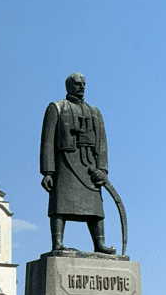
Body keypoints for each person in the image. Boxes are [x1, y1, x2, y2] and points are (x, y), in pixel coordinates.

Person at [40, 72, 115, 255]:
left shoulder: (94, 112)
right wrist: (48, 172)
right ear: (69, 86)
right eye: (77, 83)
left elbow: (102, 144)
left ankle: (100, 244)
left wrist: (103, 170)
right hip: (65, 164)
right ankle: (57, 243)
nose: (81, 86)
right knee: (60, 205)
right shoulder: (57, 108)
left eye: (83, 83)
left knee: (95, 206)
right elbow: (47, 141)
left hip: (89, 165)